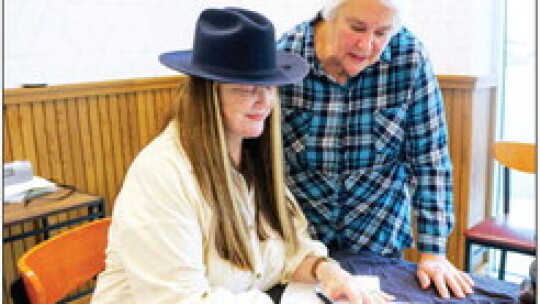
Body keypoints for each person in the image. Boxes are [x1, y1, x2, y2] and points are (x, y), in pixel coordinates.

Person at [91, 7, 394, 304]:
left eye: (270, 87)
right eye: (247, 88)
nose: (265, 102)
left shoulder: (251, 158)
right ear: (208, 94)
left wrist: (328, 272)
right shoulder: (162, 175)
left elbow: (287, 253)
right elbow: (180, 299)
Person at [277, 0, 475, 299]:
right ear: (328, 18)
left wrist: (433, 251)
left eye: (381, 33)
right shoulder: (284, 56)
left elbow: (429, 159)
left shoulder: (409, 57)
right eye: (357, 28)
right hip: (301, 241)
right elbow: (257, 160)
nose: (367, 44)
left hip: (377, 234)